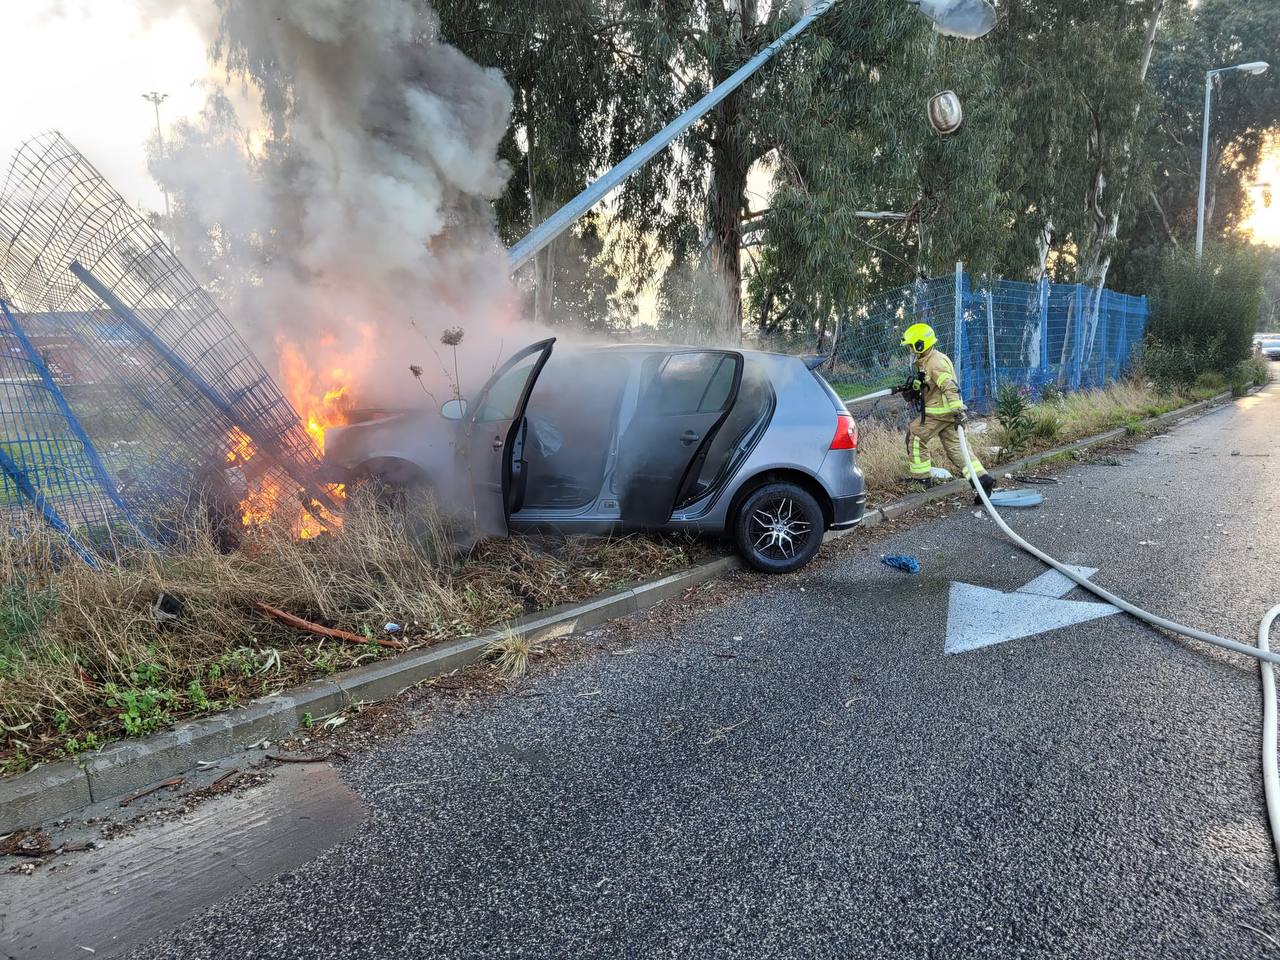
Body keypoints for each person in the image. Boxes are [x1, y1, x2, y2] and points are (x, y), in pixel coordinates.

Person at [896, 322, 996, 500]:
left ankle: (921, 479)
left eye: (912, 346)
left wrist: (958, 410)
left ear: (921, 344)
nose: (910, 350)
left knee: (916, 436)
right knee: (956, 449)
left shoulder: (935, 362)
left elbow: (950, 387)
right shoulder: (928, 359)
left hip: (939, 413)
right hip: (947, 413)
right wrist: (916, 388)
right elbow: (932, 385)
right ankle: (982, 479)